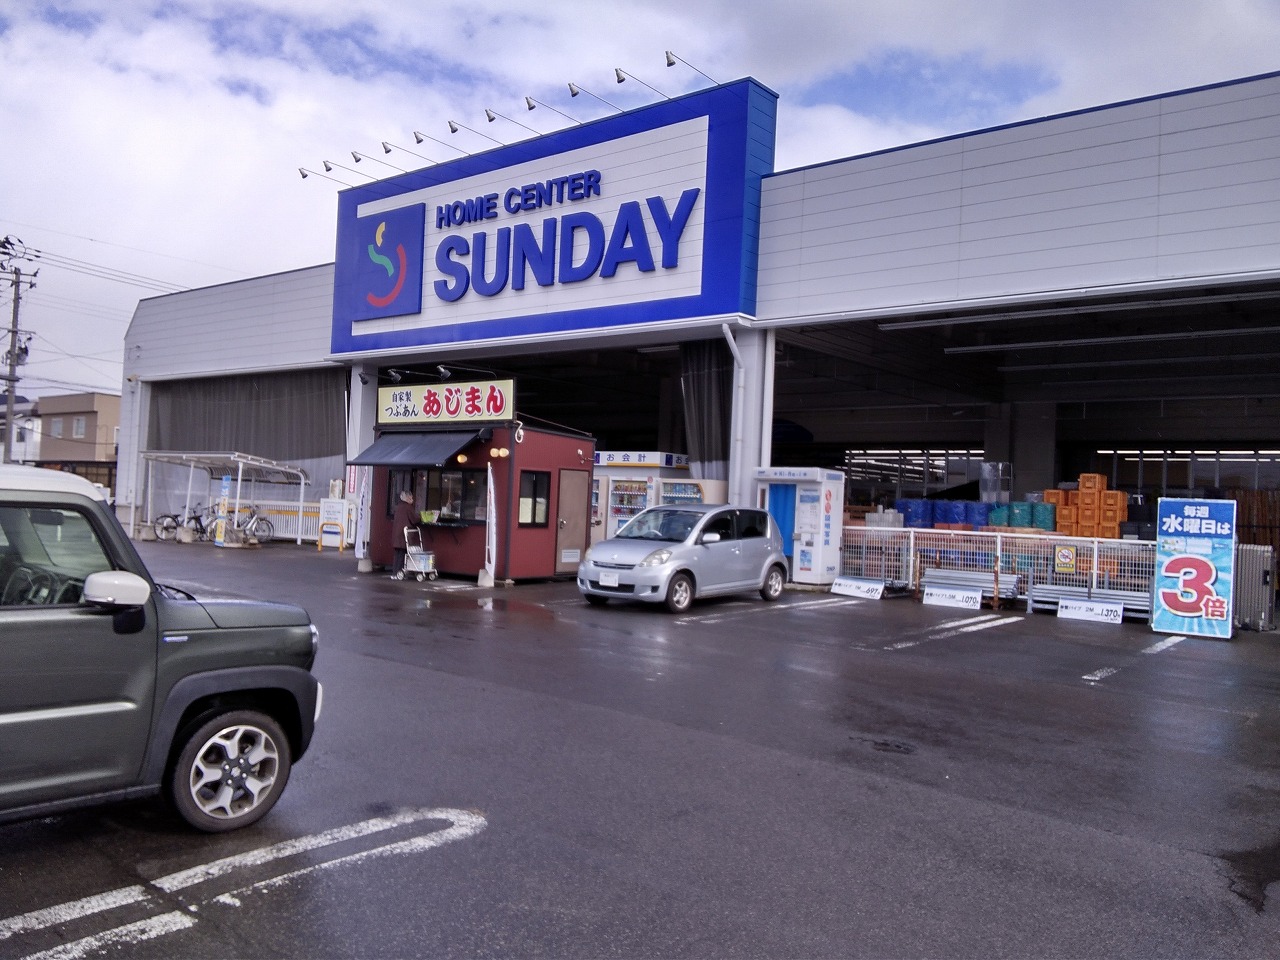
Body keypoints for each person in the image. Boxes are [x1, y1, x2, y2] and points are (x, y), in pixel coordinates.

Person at [391, 490, 416, 577]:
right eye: (411, 498)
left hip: (397, 535)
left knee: (397, 555)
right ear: (408, 498)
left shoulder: (398, 507)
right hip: (403, 536)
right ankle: (399, 574)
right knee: (402, 556)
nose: (412, 499)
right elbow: (415, 519)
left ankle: (395, 573)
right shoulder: (408, 508)